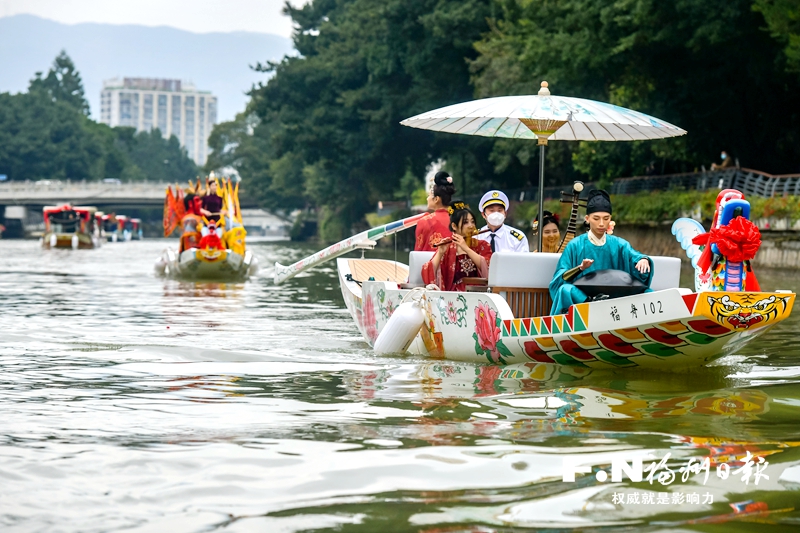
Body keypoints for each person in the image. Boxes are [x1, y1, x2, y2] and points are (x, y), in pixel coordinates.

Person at [549, 190, 653, 315]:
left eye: (606, 218)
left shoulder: (619, 244)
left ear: (611, 219)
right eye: (596, 218)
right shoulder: (575, 245)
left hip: (615, 296)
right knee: (565, 290)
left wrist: (643, 260)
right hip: (583, 298)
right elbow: (559, 278)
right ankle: (590, 304)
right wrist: (580, 268)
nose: (602, 223)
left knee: (649, 293)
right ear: (587, 219)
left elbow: (634, 256)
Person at [422, 202, 493, 292]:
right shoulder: (448, 246)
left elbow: (489, 268)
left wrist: (466, 248)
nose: (471, 226)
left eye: (472, 221)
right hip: (452, 297)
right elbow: (428, 270)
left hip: (477, 295)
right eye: (465, 222)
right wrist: (440, 253)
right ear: (454, 226)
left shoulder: (483, 245)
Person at [415, 171, 455, 251]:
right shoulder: (458, 218)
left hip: (432, 262)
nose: (427, 198)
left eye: (429, 195)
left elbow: (417, 253)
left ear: (436, 199)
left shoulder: (424, 221)